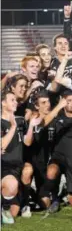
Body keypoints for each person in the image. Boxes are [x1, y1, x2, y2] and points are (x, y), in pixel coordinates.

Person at [1, 91, 41, 224]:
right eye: (12, 100)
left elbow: (27, 142)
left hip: (17, 166)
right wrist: (12, 127)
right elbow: (2, 146)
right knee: (11, 185)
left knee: (13, 214)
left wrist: (31, 126)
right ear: (3, 103)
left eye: (15, 100)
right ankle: (4, 206)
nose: (15, 102)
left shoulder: (20, 120)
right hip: (3, 166)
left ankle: (23, 203)